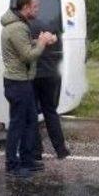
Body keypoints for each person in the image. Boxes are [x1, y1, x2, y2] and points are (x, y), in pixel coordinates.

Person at [0, 0, 56, 178]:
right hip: (17, 83)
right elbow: (27, 55)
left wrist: (42, 41)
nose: (37, 10)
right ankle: (12, 164)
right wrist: (40, 42)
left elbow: (24, 45)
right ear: (25, 7)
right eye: (35, 7)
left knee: (31, 121)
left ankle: (27, 160)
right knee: (18, 124)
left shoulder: (20, 24)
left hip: (23, 81)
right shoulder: (17, 27)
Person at [29, 18, 71, 162]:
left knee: (32, 113)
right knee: (50, 111)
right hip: (49, 73)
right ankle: (61, 149)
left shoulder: (23, 28)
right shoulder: (48, 25)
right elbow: (57, 43)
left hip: (33, 75)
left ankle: (36, 151)